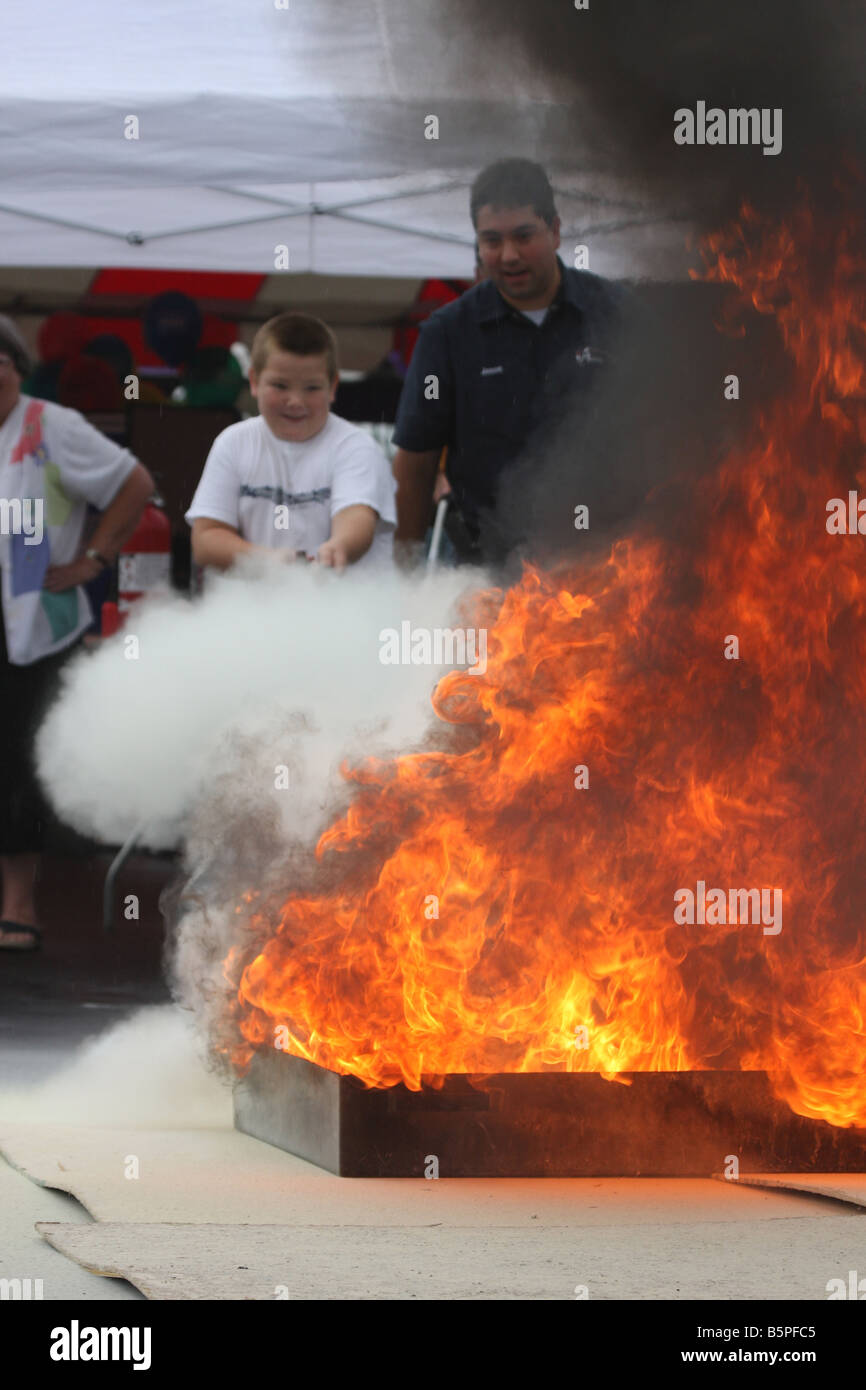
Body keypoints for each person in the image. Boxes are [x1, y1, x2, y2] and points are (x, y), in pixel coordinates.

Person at [0, 315, 155, 951]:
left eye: (1, 360)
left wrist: (94, 558)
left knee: (17, 766)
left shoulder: (48, 426)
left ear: (18, 366)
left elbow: (135, 483)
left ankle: (19, 903)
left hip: (31, 625)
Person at [391, 157, 622, 566]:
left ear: (554, 230)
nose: (509, 255)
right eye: (492, 240)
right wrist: (406, 565)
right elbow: (416, 461)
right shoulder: (446, 334)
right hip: (487, 570)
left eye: (523, 236)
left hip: (608, 560)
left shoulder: (618, 314)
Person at [186, 313, 396, 572]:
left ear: (333, 387)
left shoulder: (357, 447)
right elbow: (205, 539)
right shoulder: (232, 443)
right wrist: (265, 560)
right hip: (250, 610)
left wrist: (338, 548)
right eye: (280, 385)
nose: (296, 400)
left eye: (311, 388)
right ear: (254, 381)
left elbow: (357, 515)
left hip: (346, 607)